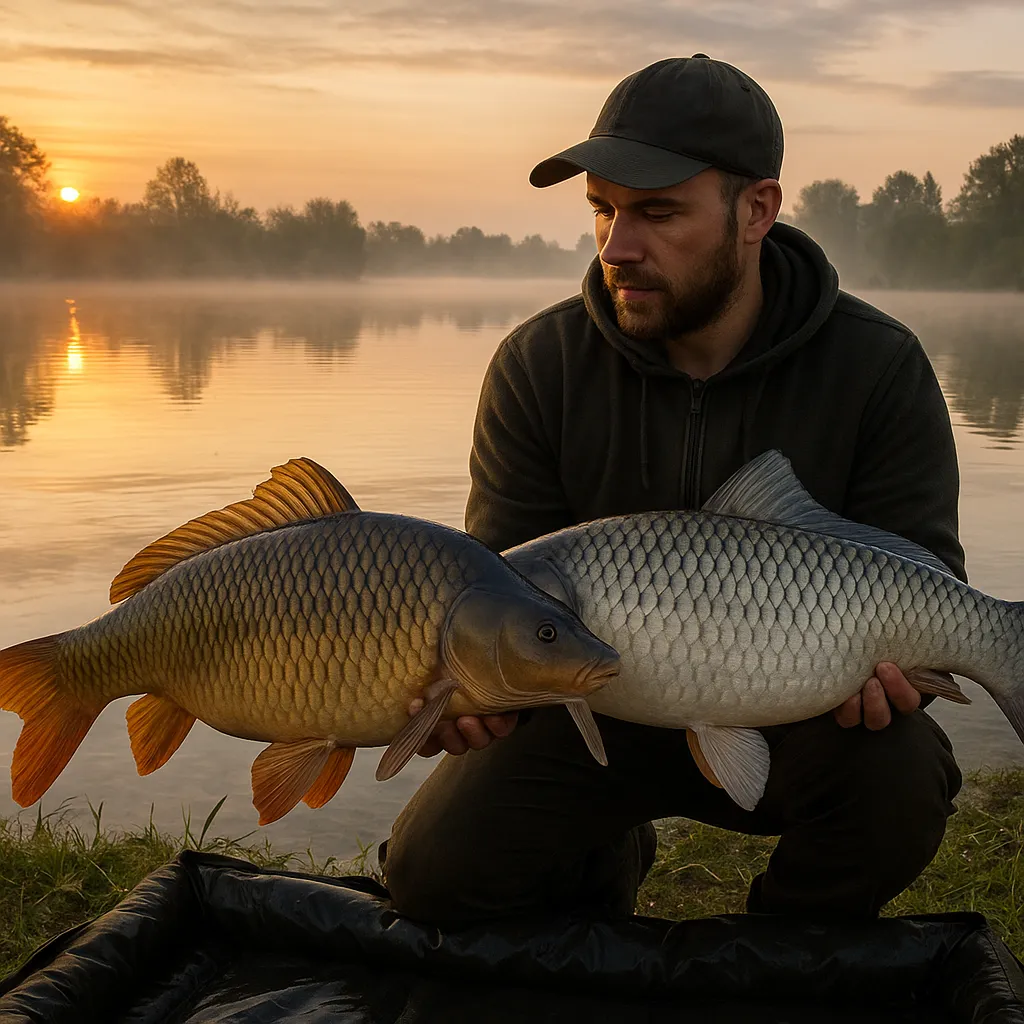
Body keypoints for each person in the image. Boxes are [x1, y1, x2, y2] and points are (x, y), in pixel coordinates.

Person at [379, 54, 964, 926]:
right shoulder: (540, 366)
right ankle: (600, 863)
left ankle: (780, 952)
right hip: (586, 712)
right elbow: (497, 590)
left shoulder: (877, 366)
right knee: (431, 875)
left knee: (903, 780)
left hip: (804, 710)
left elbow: (927, 577)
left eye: (656, 212)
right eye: (603, 212)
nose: (620, 247)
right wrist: (474, 691)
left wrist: (901, 669)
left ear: (756, 210)